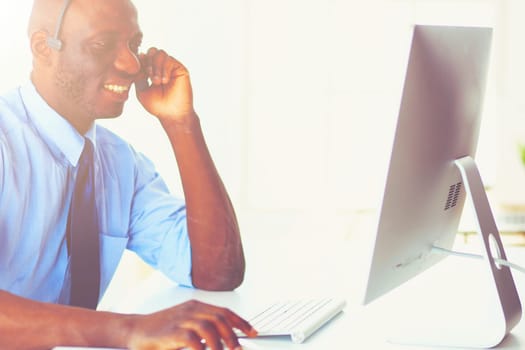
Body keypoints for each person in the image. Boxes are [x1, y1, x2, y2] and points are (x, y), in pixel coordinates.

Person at [0, 0, 257, 348]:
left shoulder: (120, 164)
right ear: (44, 48)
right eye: (102, 46)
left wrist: (181, 124)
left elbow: (216, 272)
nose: (131, 64)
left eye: (134, 45)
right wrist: (127, 329)